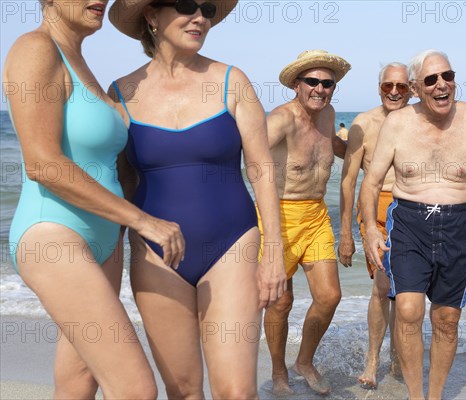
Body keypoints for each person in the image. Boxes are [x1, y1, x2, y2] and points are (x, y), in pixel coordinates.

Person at [3, 1, 185, 398]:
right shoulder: (35, 48)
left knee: (77, 384)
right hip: (54, 233)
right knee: (136, 389)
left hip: (103, 242)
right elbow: (43, 164)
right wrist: (142, 220)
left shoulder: (81, 64)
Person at [108, 0, 286, 398]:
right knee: (183, 390)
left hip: (232, 245)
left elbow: (262, 169)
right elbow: (120, 182)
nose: (200, 17)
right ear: (151, 17)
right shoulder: (121, 91)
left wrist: (273, 252)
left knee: (237, 391)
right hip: (155, 254)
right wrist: (105, 262)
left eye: (207, 8)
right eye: (187, 5)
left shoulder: (231, 80)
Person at [359, 49, 466, 399]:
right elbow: (370, 182)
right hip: (410, 222)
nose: (441, 84)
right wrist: (371, 227)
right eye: (431, 80)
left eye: (448, 76)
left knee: (446, 320)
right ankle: (416, 395)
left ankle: (436, 395)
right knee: (408, 309)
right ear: (416, 88)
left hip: (459, 224)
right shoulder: (398, 124)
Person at [260, 49, 350, 395]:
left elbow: (334, 148)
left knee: (329, 296)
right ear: (296, 85)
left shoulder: (328, 115)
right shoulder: (281, 119)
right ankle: (280, 372)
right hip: (278, 215)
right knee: (281, 302)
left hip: (315, 215)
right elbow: (251, 155)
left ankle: (304, 360)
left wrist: (367, 149)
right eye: (312, 81)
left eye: (327, 83)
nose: (320, 88)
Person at [339, 62, 411, 389]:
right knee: (382, 286)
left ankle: (398, 356)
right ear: (378, 87)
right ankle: (373, 359)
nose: (394, 92)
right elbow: (348, 180)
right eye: (387, 86)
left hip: (413, 208)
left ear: (412, 88)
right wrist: (345, 234)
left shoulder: (419, 120)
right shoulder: (364, 123)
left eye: (401, 86)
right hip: (376, 207)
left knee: (407, 290)